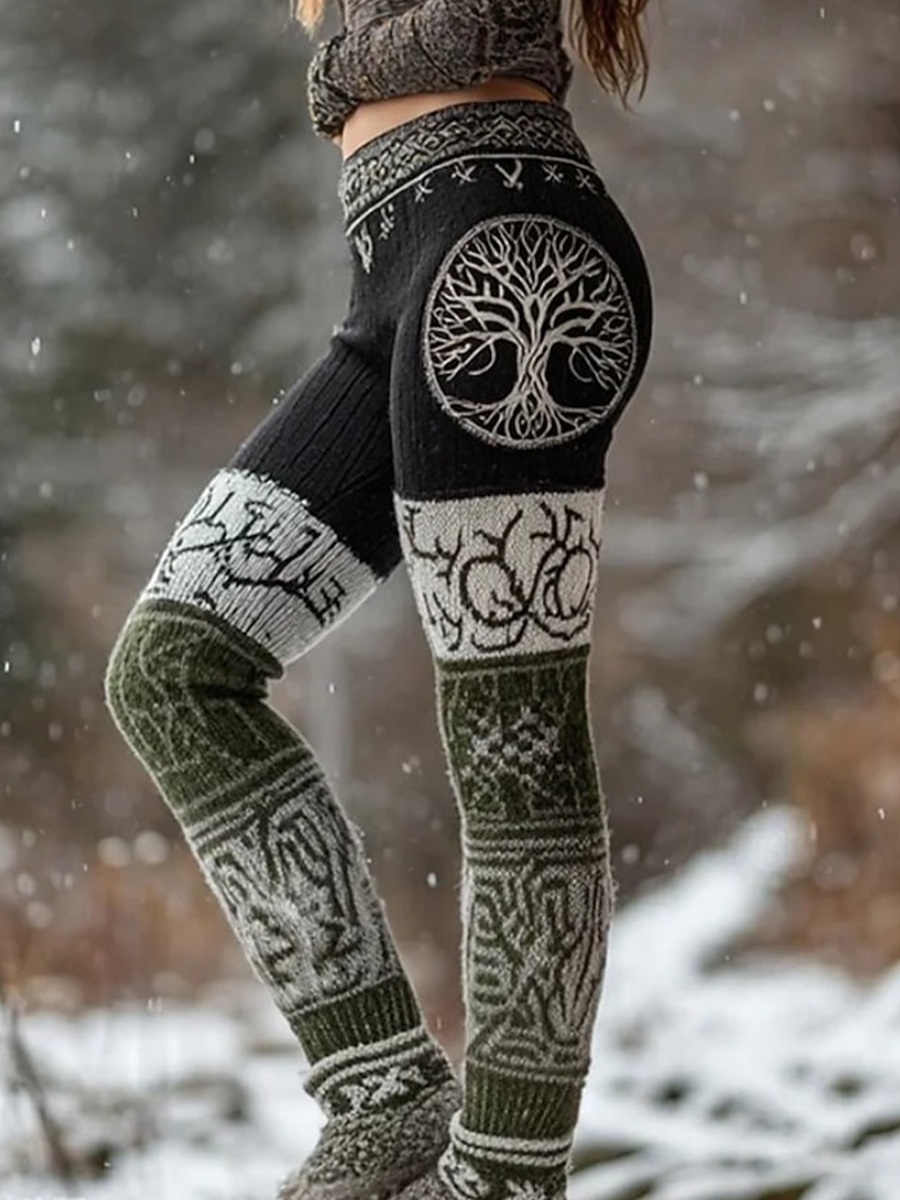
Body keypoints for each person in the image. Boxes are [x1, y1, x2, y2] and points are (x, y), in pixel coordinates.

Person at [104, 0, 653, 1196]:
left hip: (505, 260)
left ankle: (508, 1171)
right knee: (176, 668)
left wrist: (340, 71)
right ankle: (384, 1091)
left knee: (514, 741)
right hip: (393, 277)